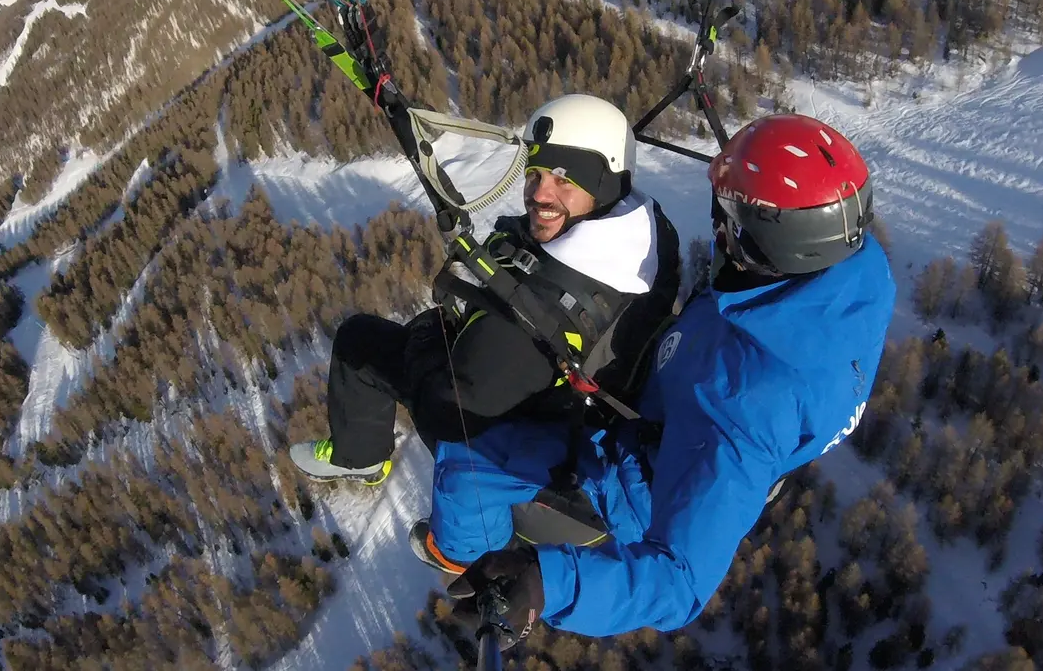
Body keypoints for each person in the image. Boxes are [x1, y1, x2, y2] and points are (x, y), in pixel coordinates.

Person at [422, 113, 896, 643]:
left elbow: (679, 583)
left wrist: (543, 585)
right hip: (661, 410)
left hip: (632, 479)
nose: (716, 226)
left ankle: (462, 557)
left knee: (463, 462)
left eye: (727, 218)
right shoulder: (851, 279)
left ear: (770, 242)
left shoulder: (742, 411)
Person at [287, 94, 681, 490]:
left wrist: (428, 333)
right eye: (535, 174)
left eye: (564, 179)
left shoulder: (524, 329)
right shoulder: (646, 230)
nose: (539, 194)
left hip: (514, 432)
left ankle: (359, 458)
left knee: (359, 340)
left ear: (604, 183)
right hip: (584, 396)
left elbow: (447, 414)